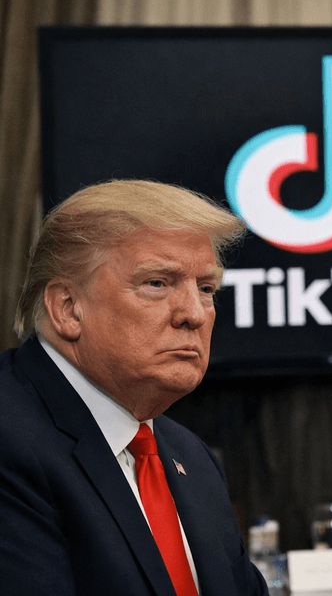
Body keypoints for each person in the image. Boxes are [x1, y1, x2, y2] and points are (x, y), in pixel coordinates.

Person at [0, 180, 268, 595]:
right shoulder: (9, 440)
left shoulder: (192, 460)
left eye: (206, 289)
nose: (194, 314)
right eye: (157, 283)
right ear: (68, 308)